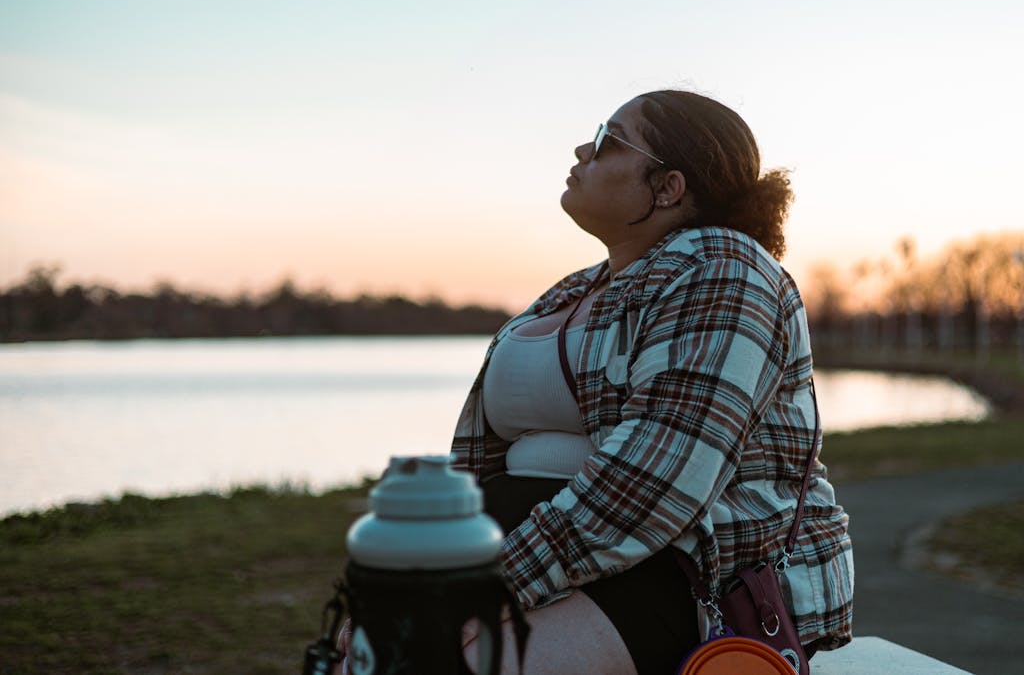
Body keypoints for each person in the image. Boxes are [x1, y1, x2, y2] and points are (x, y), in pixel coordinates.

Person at [339, 89, 854, 675]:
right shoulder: (574, 289)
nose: (583, 148)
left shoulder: (726, 269)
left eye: (608, 140)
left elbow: (651, 486)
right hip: (534, 557)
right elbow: (481, 462)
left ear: (667, 188)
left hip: (668, 571)